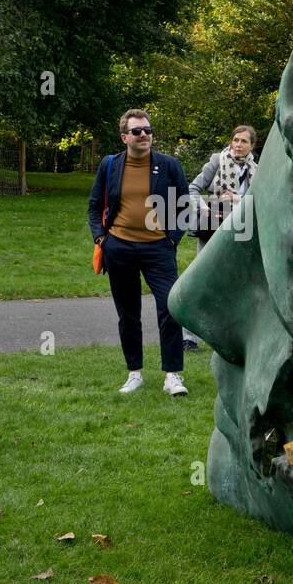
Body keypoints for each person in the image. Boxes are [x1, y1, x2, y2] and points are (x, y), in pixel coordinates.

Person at [88, 109, 190, 395]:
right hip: (119, 248)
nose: (144, 134)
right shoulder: (110, 166)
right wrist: (101, 238)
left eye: (148, 129)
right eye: (137, 131)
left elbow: (184, 205)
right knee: (128, 313)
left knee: (170, 308)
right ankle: (134, 373)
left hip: (159, 248)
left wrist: (172, 239)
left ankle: (172, 375)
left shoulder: (168, 165)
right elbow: (95, 205)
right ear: (125, 137)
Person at [182, 125, 259, 351]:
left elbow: (259, 200)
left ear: (251, 146)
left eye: (244, 141)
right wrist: (203, 207)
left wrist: (239, 198)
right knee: (201, 281)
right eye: (235, 140)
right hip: (212, 228)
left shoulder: (258, 169)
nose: (238, 145)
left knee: (235, 285)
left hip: (241, 232)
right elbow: (193, 189)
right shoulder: (217, 160)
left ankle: (231, 339)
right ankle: (189, 338)